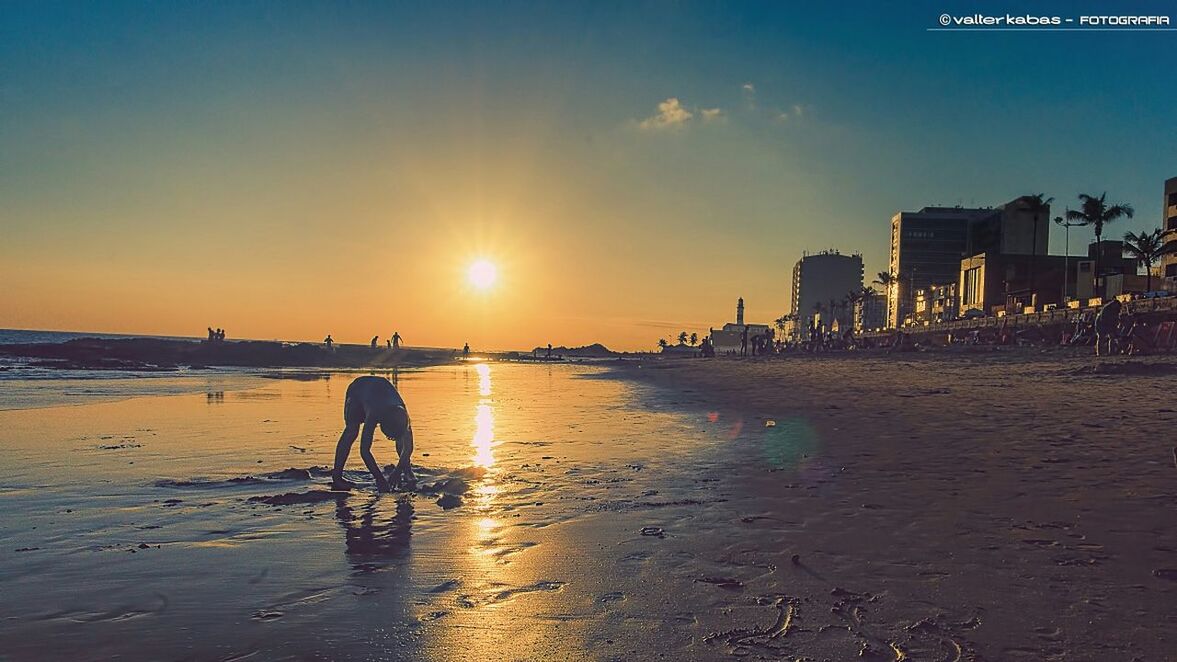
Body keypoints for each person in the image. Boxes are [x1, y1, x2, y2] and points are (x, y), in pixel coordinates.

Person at [332, 376, 415, 492]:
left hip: (379, 390)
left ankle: (407, 471)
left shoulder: (403, 416)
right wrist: (379, 479)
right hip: (357, 390)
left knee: (402, 440)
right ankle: (337, 478)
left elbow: (408, 447)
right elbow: (364, 451)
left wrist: (398, 470)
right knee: (352, 431)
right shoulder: (374, 413)